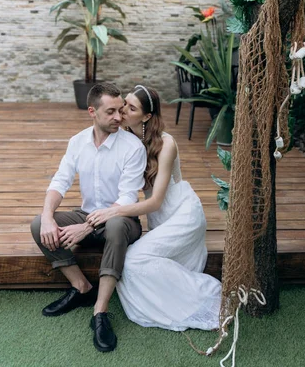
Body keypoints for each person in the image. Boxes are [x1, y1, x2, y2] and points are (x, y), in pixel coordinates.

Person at [86, 85, 222, 331]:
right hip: (159, 219)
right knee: (131, 261)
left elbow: (156, 200)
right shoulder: (127, 139)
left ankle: (204, 297)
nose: (123, 110)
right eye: (124, 103)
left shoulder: (166, 143)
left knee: (134, 260)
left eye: (131, 107)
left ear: (147, 116)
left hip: (182, 215)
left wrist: (112, 212)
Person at [30, 82, 146, 353]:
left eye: (120, 110)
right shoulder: (77, 142)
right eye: (110, 112)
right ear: (91, 111)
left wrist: (85, 227)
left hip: (122, 219)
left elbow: (128, 198)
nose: (118, 117)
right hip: (87, 215)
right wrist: (48, 217)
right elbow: (60, 181)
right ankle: (81, 287)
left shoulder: (132, 147)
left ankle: (100, 311)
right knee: (38, 224)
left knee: (116, 224)